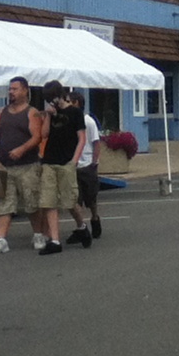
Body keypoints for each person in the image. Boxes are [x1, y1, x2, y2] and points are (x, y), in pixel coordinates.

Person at [0, 76, 45, 254]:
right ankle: (1, 239)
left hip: (28, 165)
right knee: (3, 203)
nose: (11, 92)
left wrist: (22, 149)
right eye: (10, 89)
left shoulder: (32, 112)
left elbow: (37, 137)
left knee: (31, 202)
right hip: (4, 165)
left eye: (15, 89)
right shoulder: (1, 112)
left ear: (25, 90)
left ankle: (38, 234)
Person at [39, 80, 86, 255]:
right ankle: (55, 240)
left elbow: (81, 138)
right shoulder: (51, 113)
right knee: (49, 200)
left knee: (69, 201)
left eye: (53, 98)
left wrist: (74, 160)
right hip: (50, 161)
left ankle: (81, 226)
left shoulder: (75, 112)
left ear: (61, 95)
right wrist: (48, 115)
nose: (52, 102)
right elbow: (44, 135)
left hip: (67, 161)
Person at [65, 91, 101, 245]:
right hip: (72, 165)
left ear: (76, 103)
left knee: (90, 198)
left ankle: (95, 218)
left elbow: (96, 142)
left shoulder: (88, 121)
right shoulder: (67, 121)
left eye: (69, 102)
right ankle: (81, 227)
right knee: (75, 199)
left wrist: (94, 161)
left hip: (87, 165)